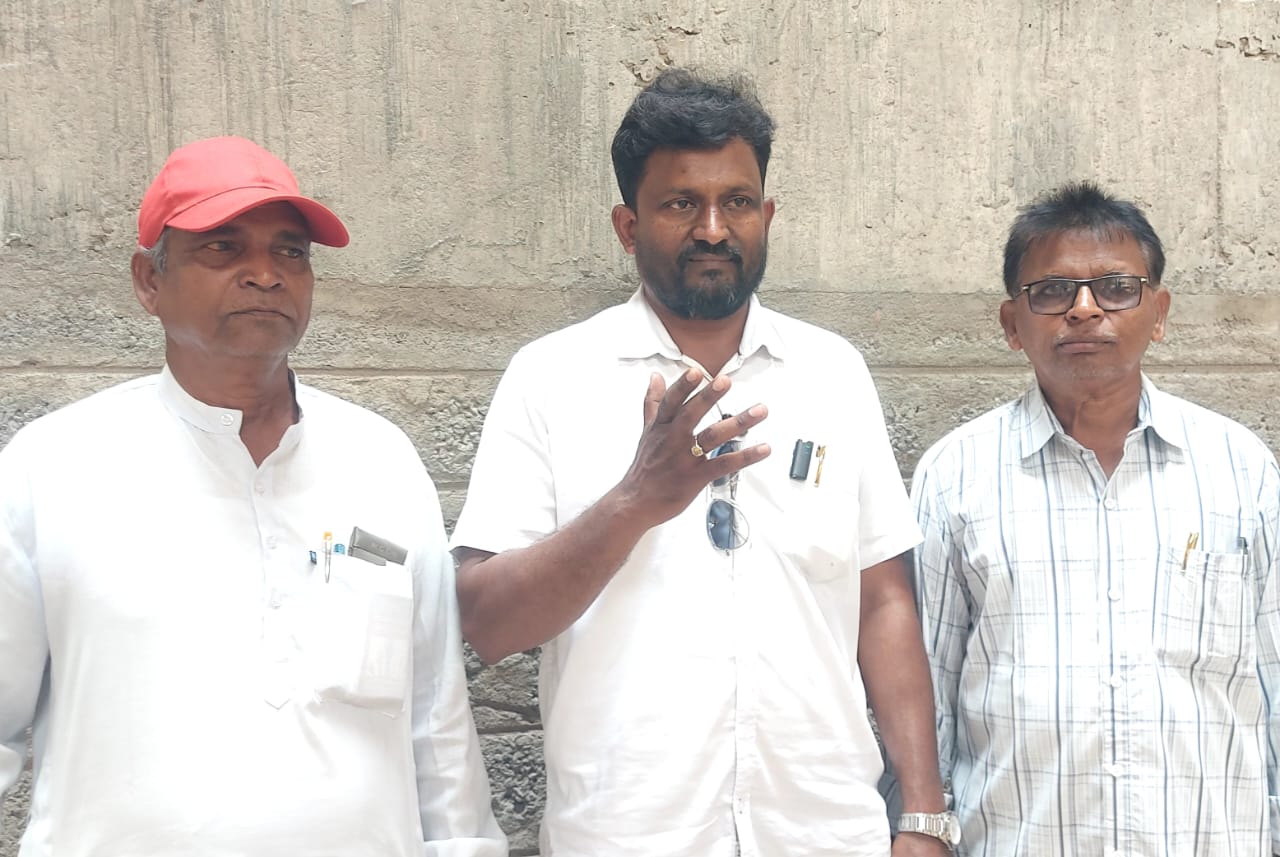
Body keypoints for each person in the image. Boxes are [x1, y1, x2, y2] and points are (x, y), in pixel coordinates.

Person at [450, 69, 953, 857]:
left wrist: (923, 812)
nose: (714, 229)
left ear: (767, 215)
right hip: (629, 837)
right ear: (628, 226)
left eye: (737, 201)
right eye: (682, 203)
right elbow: (487, 623)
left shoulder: (833, 372)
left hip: (822, 833)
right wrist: (634, 501)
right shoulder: (550, 377)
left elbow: (883, 599)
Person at [0, 136, 507, 856]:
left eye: (290, 252)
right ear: (149, 281)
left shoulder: (381, 460)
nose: (265, 274)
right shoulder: (52, 467)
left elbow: (437, 719)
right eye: (223, 248)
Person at [912, 181, 1280, 855]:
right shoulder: (955, 476)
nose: (1084, 309)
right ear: (1011, 324)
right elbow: (925, 687)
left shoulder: (1241, 469)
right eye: (1052, 291)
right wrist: (921, 825)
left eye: (1115, 288)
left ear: (1159, 313)